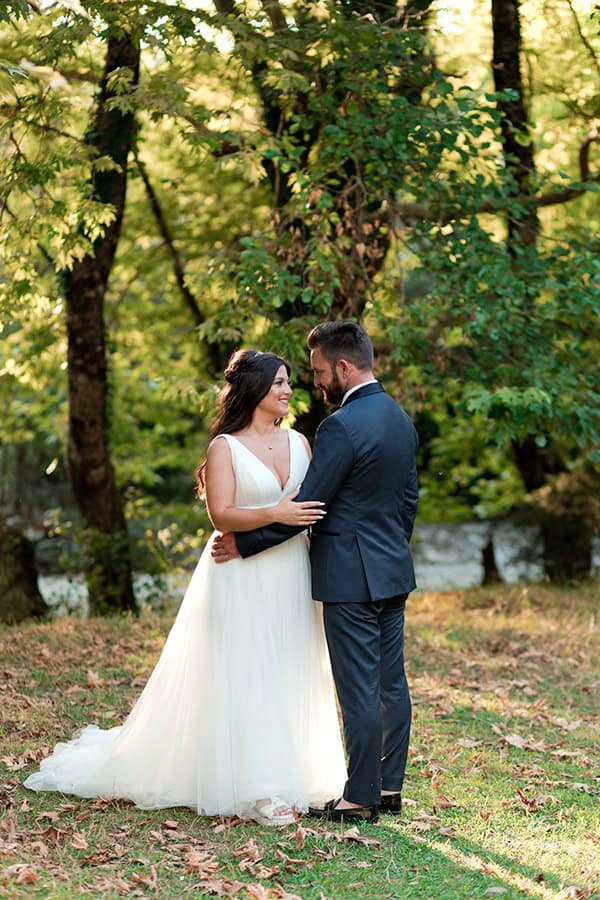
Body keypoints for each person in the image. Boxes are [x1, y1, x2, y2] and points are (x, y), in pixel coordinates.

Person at [24, 349, 346, 827]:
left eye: (288, 382)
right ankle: (255, 786)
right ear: (254, 390)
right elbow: (222, 515)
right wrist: (274, 514)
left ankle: (296, 770)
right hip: (240, 577)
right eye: (278, 383)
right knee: (248, 669)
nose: (287, 390)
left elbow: (313, 508)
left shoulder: (300, 442)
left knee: (290, 663)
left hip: (292, 570)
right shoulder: (226, 447)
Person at [212, 322, 419, 823]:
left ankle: (359, 797)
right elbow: (408, 501)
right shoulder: (399, 419)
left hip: (350, 576)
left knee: (358, 689)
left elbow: (309, 505)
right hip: (393, 569)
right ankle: (388, 789)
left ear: (344, 368)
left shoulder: (341, 427)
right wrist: (389, 548)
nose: (316, 381)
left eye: (321, 371)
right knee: (391, 685)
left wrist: (246, 543)